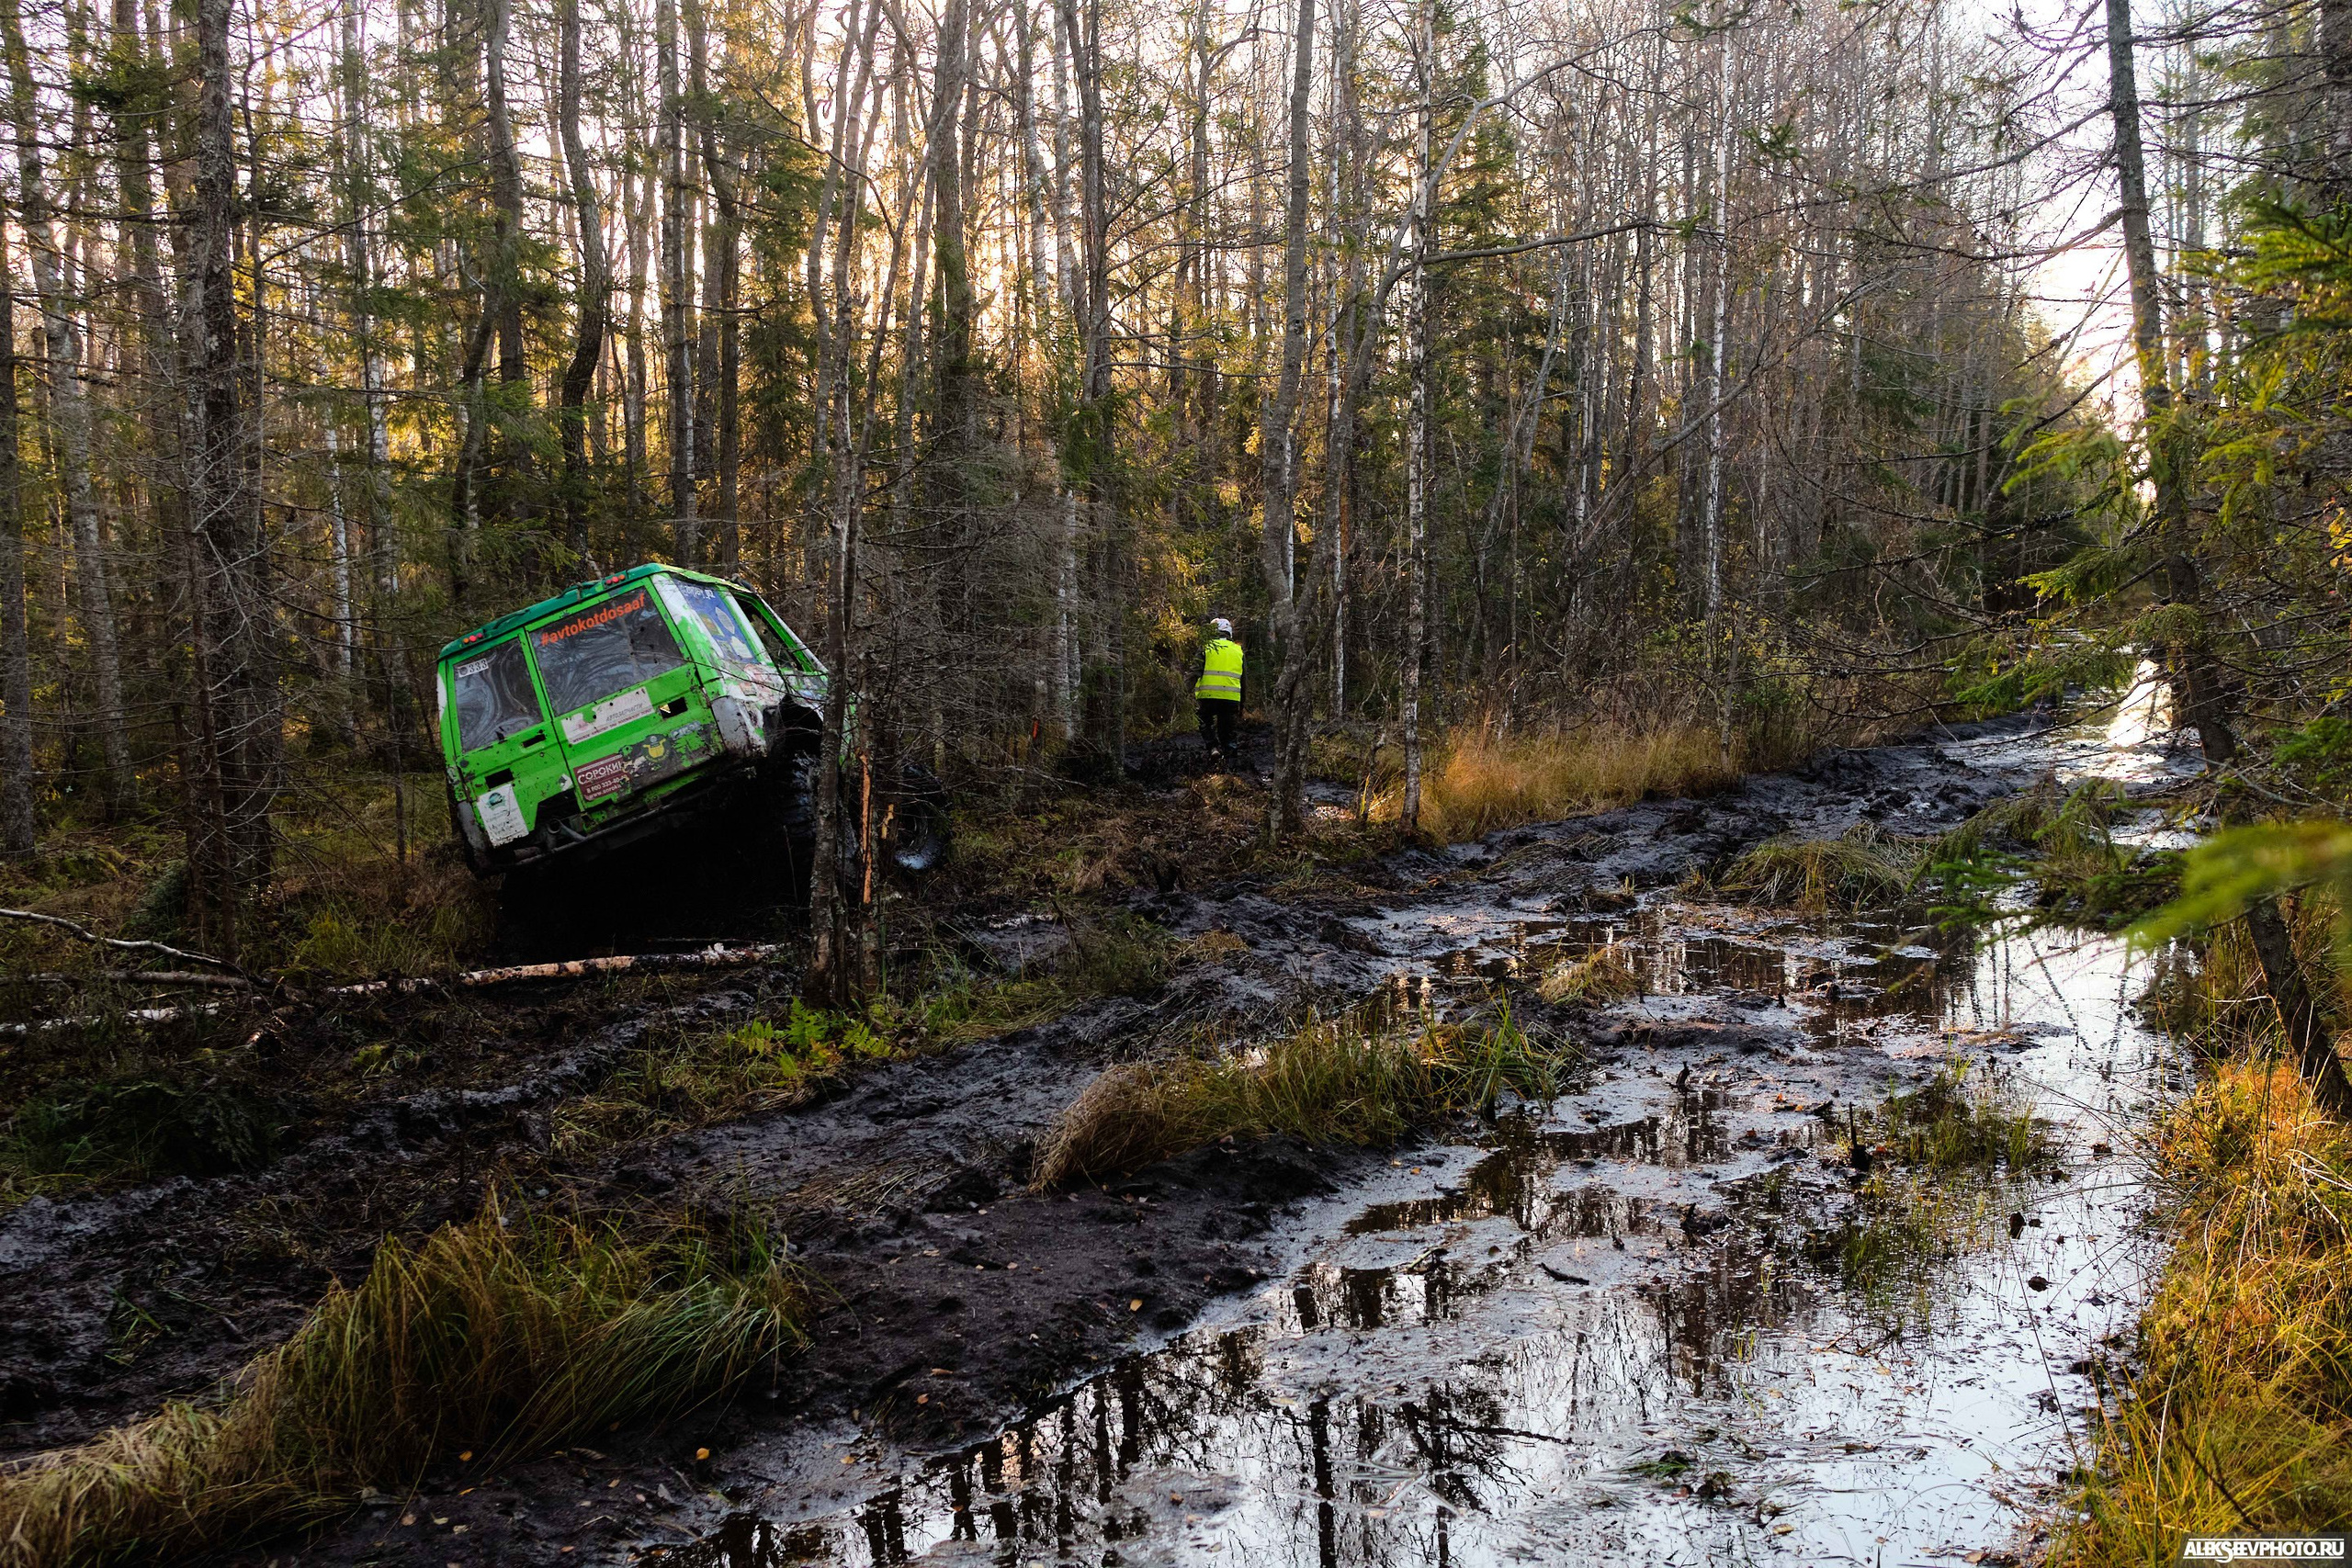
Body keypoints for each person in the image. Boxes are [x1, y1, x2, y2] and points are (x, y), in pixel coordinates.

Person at [1195, 617, 1243, 766]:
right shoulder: (1238, 650)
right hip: (1231, 698)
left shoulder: (1205, 647)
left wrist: (1183, 691)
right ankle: (1231, 766)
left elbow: (1195, 671)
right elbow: (1244, 680)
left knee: (1204, 722)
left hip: (1208, 696)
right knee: (1228, 732)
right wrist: (1243, 704)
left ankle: (1213, 748)